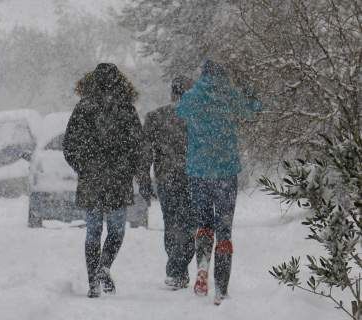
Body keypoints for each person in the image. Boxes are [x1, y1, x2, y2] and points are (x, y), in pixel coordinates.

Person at [176, 60, 261, 304]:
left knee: (203, 223)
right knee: (224, 230)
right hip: (225, 173)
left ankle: (202, 266)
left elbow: (180, 111)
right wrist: (250, 92)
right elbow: (252, 110)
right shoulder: (229, 95)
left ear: (202, 75)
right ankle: (221, 289)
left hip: (198, 173)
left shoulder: (192, 96)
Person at [64, 63, 151, 298]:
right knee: (116, 230)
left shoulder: (83, 108)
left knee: (92, 232)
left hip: (91, 178)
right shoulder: (126, 108)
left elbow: (69, 143)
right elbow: (138, 145)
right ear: (120, 81)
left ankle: (93, 281)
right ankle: (104, 266)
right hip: (118, 178)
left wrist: (82, 166)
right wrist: (136, 172)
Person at [143, 76, 195, 290]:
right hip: (194, 178)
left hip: (166, 178)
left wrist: (144, 178)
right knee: (190, 223)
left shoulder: (156, 116)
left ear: (172, 93)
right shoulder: (198, 117)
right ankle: (179, 267)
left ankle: (176, 269)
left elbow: (145, 152)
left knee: (172, 222)